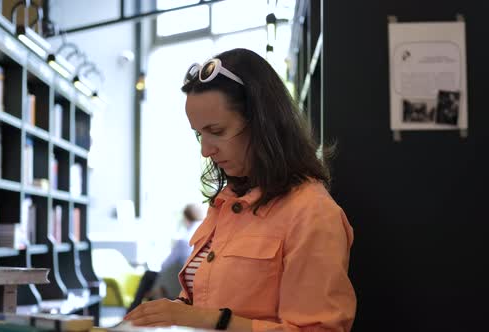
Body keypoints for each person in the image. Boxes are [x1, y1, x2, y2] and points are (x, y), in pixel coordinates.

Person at [125, 48, 356, 331]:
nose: (206, 150)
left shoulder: (312, 214)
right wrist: (173, 311)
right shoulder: (225, 205)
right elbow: (209, 300)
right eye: (199, 134)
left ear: (262, 123)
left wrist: (207, 319)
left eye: (217, 131)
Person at [126, 203, 204, 312]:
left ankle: (132, 311)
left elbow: (165, 265)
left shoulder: (184, 240)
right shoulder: (204, 234)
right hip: (191, 283)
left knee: (148, 275)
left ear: (186, 218)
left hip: (175, 283)